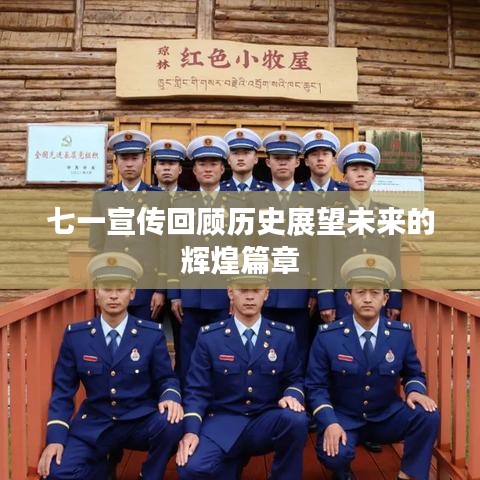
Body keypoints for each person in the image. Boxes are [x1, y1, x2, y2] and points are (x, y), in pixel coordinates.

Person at [37, 252, 183, 480]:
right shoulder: (76, 336)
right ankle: (104, 466)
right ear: (97, 293)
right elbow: (63, 392)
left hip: (139, 420)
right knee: (56, 473)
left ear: (132, 293)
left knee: (173, 422)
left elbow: (166, 378)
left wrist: (170, 396)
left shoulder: (150, 334)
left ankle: (149, 474)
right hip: (96, 422)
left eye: (121, 289)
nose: (113, 296)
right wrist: (55, 439)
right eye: (107, 289)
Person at [306, 254, 439, 480]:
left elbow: (413, 373)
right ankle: (342, 471)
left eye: (375, 293)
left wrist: (415, 391)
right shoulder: (328, 336)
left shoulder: (400, 334)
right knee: (334, 455)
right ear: (348, 298)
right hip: (344, 419)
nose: (368, 299)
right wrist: (329, 422)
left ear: (385, 299)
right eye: (360, 292)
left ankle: (408, 473)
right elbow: (315, 387)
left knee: (428, 415)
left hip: (386, 416)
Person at [176, 265, 308, 480]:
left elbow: (293, 379)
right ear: (230, 292)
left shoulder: (283, 336)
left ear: (266, 293)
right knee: (191, 468)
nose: (249, 297)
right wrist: (191, 431)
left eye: (256, 290)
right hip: (222, 422)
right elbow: (196, 390)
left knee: (296, 420)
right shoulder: (210, 337)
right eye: (242, 290)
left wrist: (292, 395)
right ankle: (233, 459)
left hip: (265, 420)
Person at [167, 135, 244, 382]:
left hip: (224, 296)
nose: (208, 169)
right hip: (190, 295)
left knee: (224, 351)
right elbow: (173, 251)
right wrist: (175, 293)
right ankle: (188, 399)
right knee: (187, 353)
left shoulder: (239, 205)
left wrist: (237, 293)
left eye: (213, 164)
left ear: (223, 169)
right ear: (194, 170)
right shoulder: (181, 205)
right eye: (202, 164)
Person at [248, 130, 316, 369]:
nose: (283, 163)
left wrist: (314, 291)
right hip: (264, 290)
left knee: (299, 348)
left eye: (288, 158)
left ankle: (296, 389)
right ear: (268, 162)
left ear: (298, 162)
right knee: (264, 347)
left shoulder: (313, 200)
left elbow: (318, 250)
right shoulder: (253, 198)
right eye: (277, 158)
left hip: (300, 291)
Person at [316, 141, 402, 324]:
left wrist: (395, 298)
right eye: (354, 169)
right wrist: (325, 299)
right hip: (343, 298)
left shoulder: (389, 213)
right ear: (345, 176)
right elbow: (324, 260)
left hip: (379, 298)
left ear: (374, 176)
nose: (360, 174)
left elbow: (394, 259)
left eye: (366, 169)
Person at [89, 130, 167, 322]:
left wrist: (160, 289)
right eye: (124, 158)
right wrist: (97, 286)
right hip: (112, 284)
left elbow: (165, 245)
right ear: (116, 161)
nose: (129, 164)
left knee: (145, 335)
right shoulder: (102, 197)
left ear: (144, 161)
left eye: (135, 158)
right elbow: (96, 245)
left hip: (147, 286)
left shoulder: (159, 197)